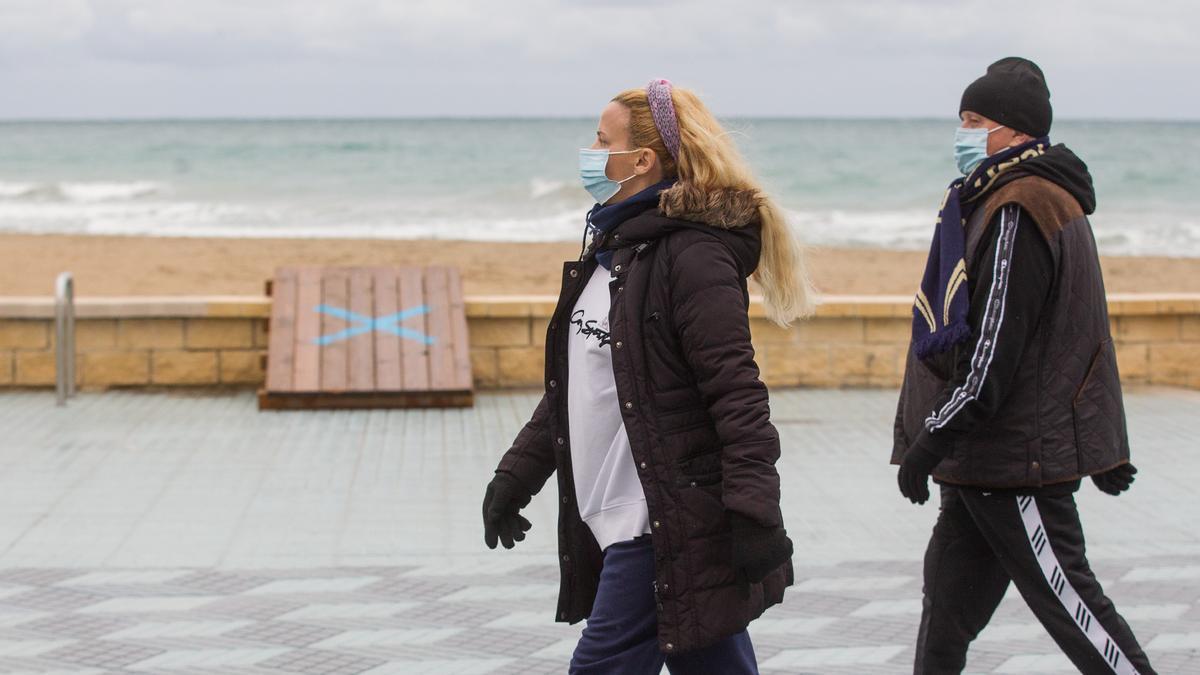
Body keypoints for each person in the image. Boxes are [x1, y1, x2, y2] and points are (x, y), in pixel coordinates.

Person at [482, 79, 814, 674]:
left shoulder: (693, 256)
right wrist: (515, 477)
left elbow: (737, 394)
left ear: (642, 159)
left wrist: (756, 512)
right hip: (615, 512)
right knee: (711, 660)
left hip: (664, 519)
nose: (589, 150)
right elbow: (578, 385)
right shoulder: (613, 250)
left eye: (600, 139)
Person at [892, 57, 1156, 674]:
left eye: (974, 119)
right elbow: (1068, 340)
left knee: (1075, 610)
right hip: (983, 464)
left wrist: (930, 441)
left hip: (1014, 463)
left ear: (1014, 131)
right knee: (944, 622)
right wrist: (1103, 448)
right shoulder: (1012, 197)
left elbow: (996, 349)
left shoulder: (1021, 204)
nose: (962, 132)